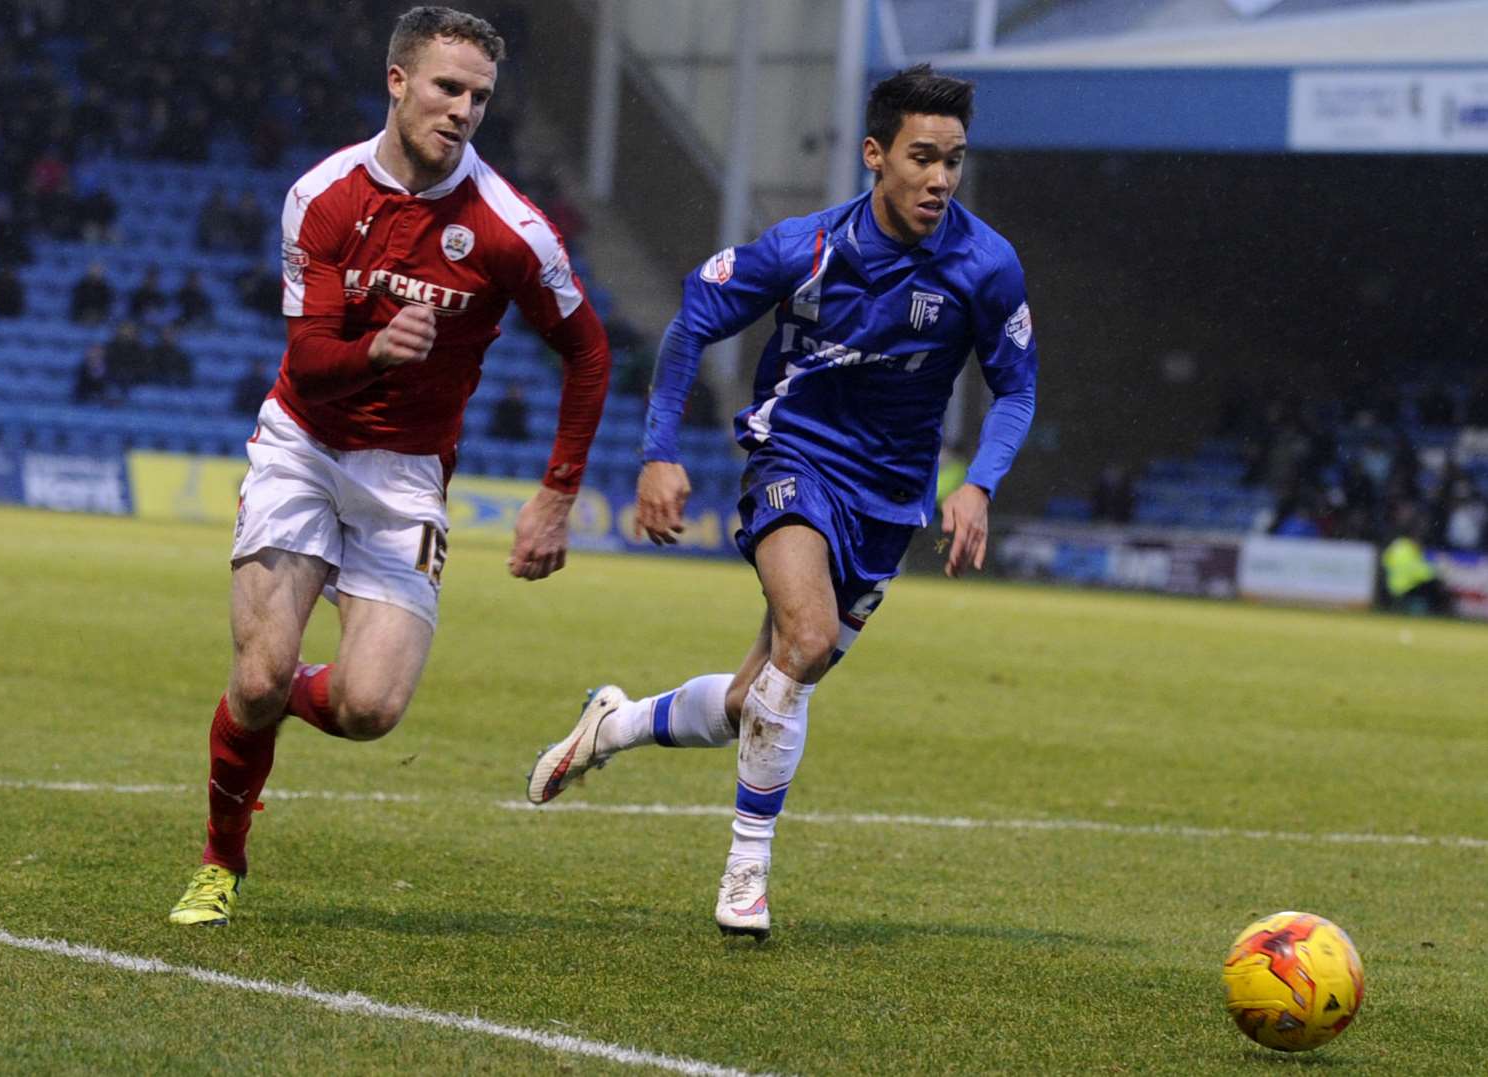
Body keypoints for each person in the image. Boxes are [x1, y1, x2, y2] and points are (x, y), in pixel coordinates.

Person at [526, 66, 1038, 940]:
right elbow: (692, 317)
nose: (940, 179)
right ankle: (747, 869)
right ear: (876, 156)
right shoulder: (805, 247)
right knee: (803, 639)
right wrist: (658, 455)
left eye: (953, 160)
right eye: (922, 157)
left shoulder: (985, 265)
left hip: (891, 502)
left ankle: (616, 723)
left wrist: (980, 482)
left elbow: (1017, 388)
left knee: (758, 696)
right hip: (792, 458)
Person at [168, 5, 612, 927]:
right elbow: (314, 359)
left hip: (406, 474)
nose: (464, 110)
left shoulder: (509, 229)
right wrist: (376, 352)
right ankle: (220, 859)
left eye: (480, 96)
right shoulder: (324, 195)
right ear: (398, 82)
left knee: (370, 709)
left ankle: (274, 694)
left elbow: (589, 350)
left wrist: (558, 491)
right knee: (253, 677)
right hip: (302, 444)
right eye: (448, 88)